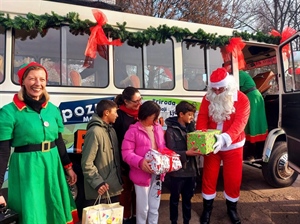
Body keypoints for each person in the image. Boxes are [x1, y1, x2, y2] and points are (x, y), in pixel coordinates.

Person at [0, 62, 78, 224]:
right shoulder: (9, 112)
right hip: (27, 168)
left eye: (42, 79)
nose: (38, 83)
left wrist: (68, 167)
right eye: (32, 79)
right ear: (23, 82)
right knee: (33, 208)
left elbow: (59, 141)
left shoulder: (52, 109)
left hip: (52, 164)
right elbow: (3, 152)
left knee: (54, 204)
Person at [196, 68, 250, 224]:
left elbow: (240, 123)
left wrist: (225, 138)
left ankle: (232, 209)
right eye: (215, 88)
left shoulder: (242, 99)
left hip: (233, 146)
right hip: (211, 146)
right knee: (209, 177)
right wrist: (202, 139)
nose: (218, 91)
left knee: (233, 179)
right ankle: (207, 210)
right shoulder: (208, 97)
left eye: (221, 88)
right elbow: (202, 118)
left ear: (228, 85)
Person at [122, 101, 166, 224]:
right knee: (143, 209)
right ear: (146, 114)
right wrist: (140, 162)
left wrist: (167, 158)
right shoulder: (133, 131)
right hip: (140, 175)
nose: (156, 119)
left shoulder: (157, 128)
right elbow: (126, 153)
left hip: (157, 173)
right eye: (154, 116)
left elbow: (162, 147)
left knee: (154, 207)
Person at [165, 101, 202, 224]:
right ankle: (173, 221)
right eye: (190, 114)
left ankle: (187, 221)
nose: (192, 117)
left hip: (191, 171)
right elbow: (171, 151)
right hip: (177, 173)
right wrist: (186, 153)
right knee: (174, 199)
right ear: (181, 114)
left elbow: (198, 145)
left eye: (193, 115)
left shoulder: (192, 128)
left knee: (188, 200)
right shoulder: (171, 130)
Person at [81, 99, 123, 205]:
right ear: (106, 113)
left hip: (112, 188)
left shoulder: (111, 130)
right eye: (115, 112)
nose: (117, 115)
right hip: (100, 190)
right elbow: (87, 163)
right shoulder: (94, 132)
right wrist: (98, 183)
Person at [113, 86, 142, 224]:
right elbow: (114, 138)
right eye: (135, 101)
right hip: (124, 159)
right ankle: (126, 217)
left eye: (140, 99)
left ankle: (138, 215)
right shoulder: (119, 115)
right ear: (126, 101)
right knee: (125, 191)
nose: (139, 103)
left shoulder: (142, 113)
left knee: (139, 191)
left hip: (140, 159)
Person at [239, 70, 268, 143]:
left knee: (253, 117)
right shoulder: (239, 74)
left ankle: (255, 139)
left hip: (253, 96)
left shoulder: (240, 74)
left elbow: (237, 88)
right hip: (250, 95)